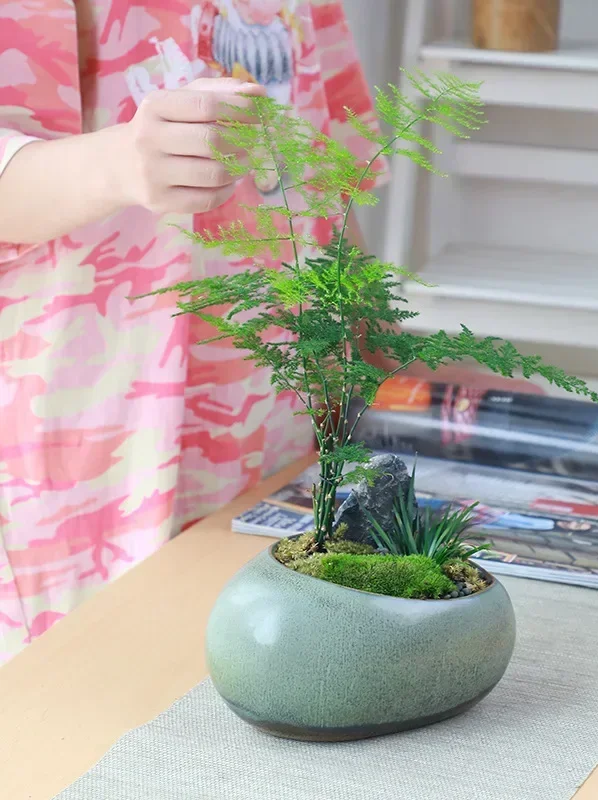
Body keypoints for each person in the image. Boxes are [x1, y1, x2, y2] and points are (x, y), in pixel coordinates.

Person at [0, 0, 387, 664]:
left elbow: (329, 171)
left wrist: (391, 361)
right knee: (93, 723)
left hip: (277, 442)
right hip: (79, 468)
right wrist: (117, 162)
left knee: (265, 684)